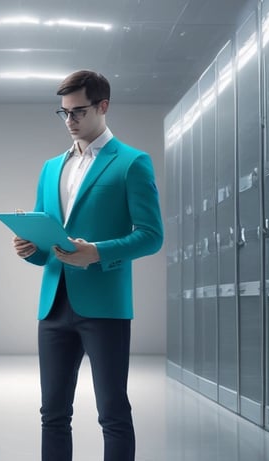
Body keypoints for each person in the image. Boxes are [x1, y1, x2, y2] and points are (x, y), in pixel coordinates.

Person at [12, 70, 163, 461]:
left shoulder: (132, 163)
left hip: (105, 306)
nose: (70, 121)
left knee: (112, 413)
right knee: (53, 414)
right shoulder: (50, 168)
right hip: (54, 304)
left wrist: (96, 251)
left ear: (103, 106)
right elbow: (49, 246)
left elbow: (151, 235)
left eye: (78, 112)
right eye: (63, 113)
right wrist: (31, 248)